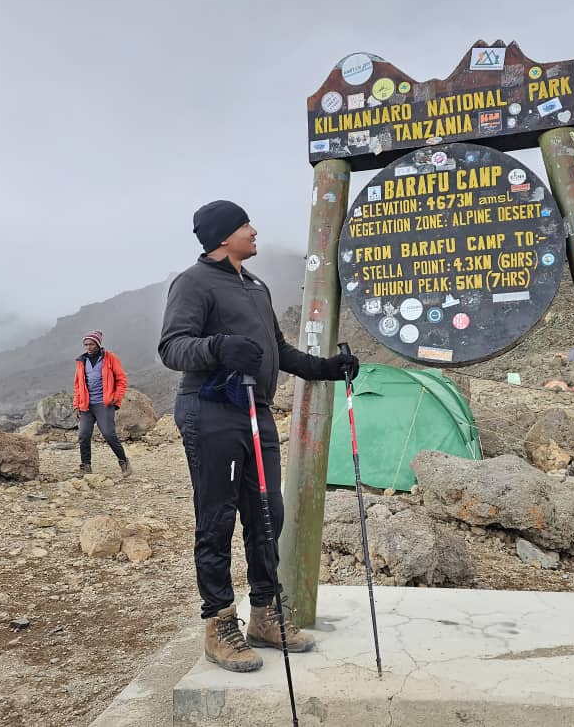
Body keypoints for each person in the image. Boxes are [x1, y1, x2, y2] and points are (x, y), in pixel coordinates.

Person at [158, 200, 359, 674]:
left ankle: (265, 615)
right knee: (217, 516)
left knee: (269, 512)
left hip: (256, 410)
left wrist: (327, 369)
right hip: (210, 409)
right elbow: (172, 347)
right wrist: (220, 347)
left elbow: (278, 350)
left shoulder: (255, 285)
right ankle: (219, 624)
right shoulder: (193, 282)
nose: (254, 230)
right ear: (224, 236)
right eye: (244, 224)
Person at [73, 330, 132, 477]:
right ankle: (86, 466)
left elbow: (121, 380)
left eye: (91, 344)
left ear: (98, 344)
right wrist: (76, 405)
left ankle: (124, 462)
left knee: (108, 434)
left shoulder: (110, 358)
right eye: (86, 344)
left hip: (103, 403)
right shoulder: (82, 361)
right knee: (84, 435)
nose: (88, 347)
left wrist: (116, 398)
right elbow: (77, 385)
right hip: (86, 404)